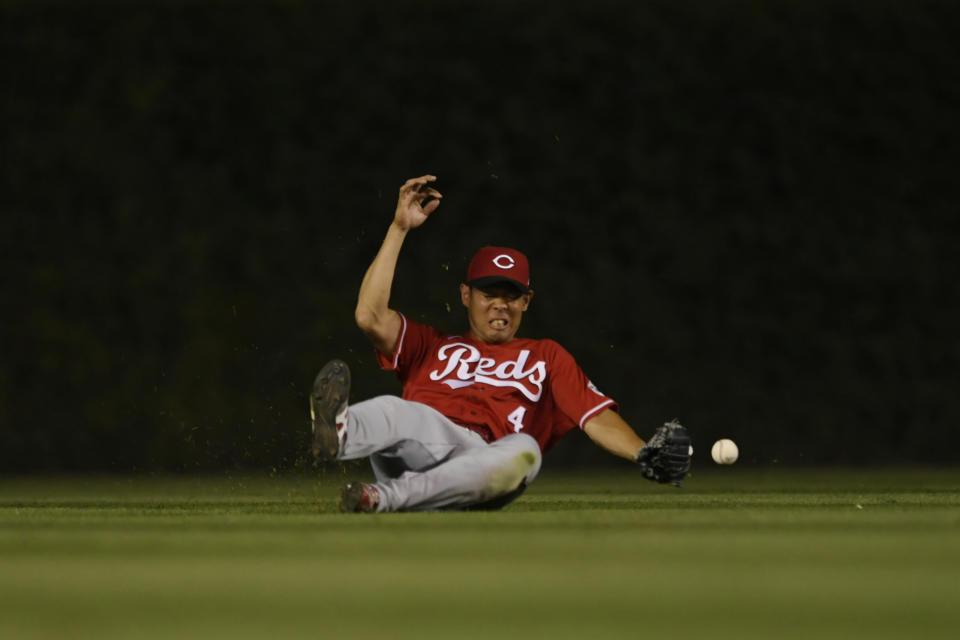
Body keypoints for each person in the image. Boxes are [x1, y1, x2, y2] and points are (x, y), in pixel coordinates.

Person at [309, 175, 691, 512]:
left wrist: (642, 451)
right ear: (465, 296)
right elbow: (369, 316)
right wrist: (399, 228)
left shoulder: (545, 355)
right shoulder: (430, 346)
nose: (500, 304)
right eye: (488, 293)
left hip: (486, 462)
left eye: (511, 295)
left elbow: (594, 416)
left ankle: (383, 496)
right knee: (400, 411)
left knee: (525, 451)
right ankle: (342, 433)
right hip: (423, 442)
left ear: (526, 302)